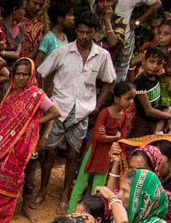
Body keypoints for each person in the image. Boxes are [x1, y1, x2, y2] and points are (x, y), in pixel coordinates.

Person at [34, 13, 117, 212]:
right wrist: (46, 97)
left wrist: (97, 105)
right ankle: (42, 190)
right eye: (80, 31)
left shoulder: (102, 56)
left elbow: (110, 81)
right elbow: (40, 71)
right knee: (50, 152)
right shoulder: (62, 52)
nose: (84, 36)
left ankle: (65, 195)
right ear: (76, 31)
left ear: (95, 32)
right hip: (58, 109)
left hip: (82, 112)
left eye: (88, 32)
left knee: (73, 154)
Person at [0, 58, 60, 223]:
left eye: (25, 74)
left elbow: (55, 112)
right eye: (17, 74)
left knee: (9, 183)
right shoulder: (10, 94)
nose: (20, 78)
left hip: (18, 147)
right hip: (2, 144)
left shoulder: (36, 95)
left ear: (31, 75)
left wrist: (32, 124)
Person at [68, 81, 134, 210]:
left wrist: (109, 137)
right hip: (94, 151)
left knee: (97, 188)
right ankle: (71, 211)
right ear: (116, 99)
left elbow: (123, 137)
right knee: (80, 184)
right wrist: (115, 137)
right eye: (128, 98)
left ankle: (91, 213)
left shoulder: (124, 115)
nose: (131, 102)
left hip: (106, 154)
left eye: (132, 98)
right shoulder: (104, 113)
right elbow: (98, 136)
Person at [35, 0, 75, 67]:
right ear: (60, 18)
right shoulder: (48, 38)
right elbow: (38, 62)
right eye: (70, 15)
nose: (73, 18)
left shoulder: (64, 37)